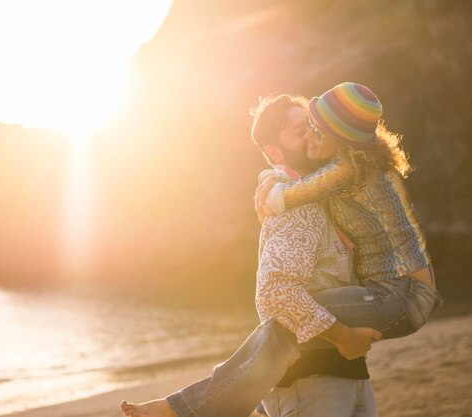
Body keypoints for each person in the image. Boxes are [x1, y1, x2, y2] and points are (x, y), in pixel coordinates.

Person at [121, 83, 442, 417]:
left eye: (315, 128)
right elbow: (275, 294)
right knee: (282, 326)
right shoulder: (299, 205)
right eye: (302, 131)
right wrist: (344, 336)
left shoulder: (337, 185)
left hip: (346, 377)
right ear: (276, 152)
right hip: (312, 385)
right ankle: (186, 410)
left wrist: (275, 187)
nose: (312, 137)